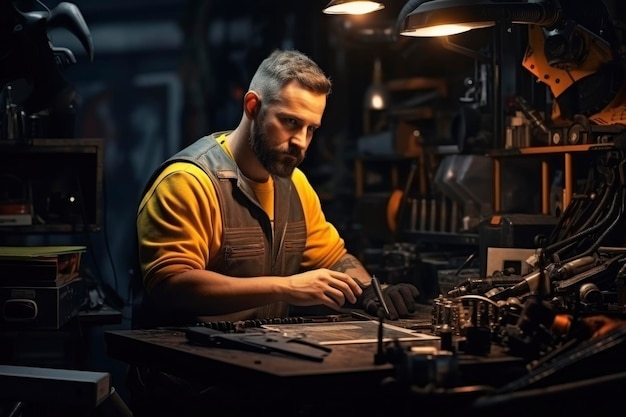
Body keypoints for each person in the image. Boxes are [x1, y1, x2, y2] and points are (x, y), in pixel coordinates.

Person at [135, 48, 420, 328]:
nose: (301, 141)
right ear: (252, 106)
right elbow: (171, 286)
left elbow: (334, 259)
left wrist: (370, 289)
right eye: (290, 122)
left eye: (311, 129)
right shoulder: (188, 182)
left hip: (258, 359)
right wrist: (286, 288)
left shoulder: (295, 184)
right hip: (185, 368)